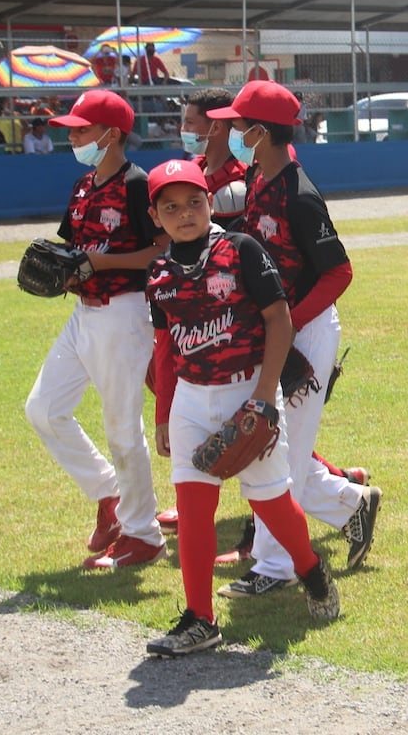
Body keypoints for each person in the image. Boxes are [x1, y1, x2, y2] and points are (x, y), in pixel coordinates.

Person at [143, 159, 340, 657]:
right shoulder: (160, 273)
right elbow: (166, 349)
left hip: (246, 389)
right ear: (156, 216)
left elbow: (280, 321)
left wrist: (265, 395)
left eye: (193, 201)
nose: (184, 213)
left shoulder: (240, 249)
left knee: (270, 500)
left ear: (209, 201)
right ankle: (200, 619)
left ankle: (311, 570)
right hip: (191, 396)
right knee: (192, 508)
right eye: (171, 207)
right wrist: (164, 413)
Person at [205, 81, 382, 598]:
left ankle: (275, 566)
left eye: (239, 125)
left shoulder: (300, 194)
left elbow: (339, 273)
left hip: (306, 331)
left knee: (280, 450)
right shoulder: (261, 176)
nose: (232, 131)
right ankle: (351, 503)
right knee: (273, 448)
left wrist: (290, 327)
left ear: (261, 132)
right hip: (279, 329)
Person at [25, 90, 166, 569]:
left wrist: (100, 261)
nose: (73, 135)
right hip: (85, 313)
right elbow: (73, 249)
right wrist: (65, 271)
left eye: (82, 129)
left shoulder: (137, 183)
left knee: (122, 429)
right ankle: (109, 497)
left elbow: (159, 251)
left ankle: (143, 534)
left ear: (112, 135)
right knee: (43, 409)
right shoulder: (85, 184)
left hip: (125, 313)